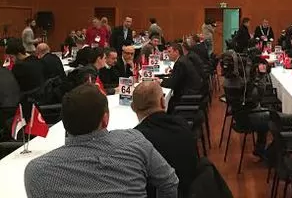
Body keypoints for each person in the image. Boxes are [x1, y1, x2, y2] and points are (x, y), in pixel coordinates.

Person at [24, 84, 179, 198]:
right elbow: (170, 182)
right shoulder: (134, 141)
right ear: (105, 119)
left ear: (63, 122)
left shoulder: (37, 171)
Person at [132, 82, 198, 198]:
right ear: (163, 102)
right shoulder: (182, 123)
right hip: (192, 190)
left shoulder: (136, 140)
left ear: (133, 107)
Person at [162, 42, 203, 110]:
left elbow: (172, 83)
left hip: (187, 94)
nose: (167, 54)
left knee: (167, 102)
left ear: (176, 52)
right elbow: (179, 76)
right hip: (193, 90)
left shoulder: (180, 63)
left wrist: (160, 81)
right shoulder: (183, 59)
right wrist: (173, 71)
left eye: (169, 52)